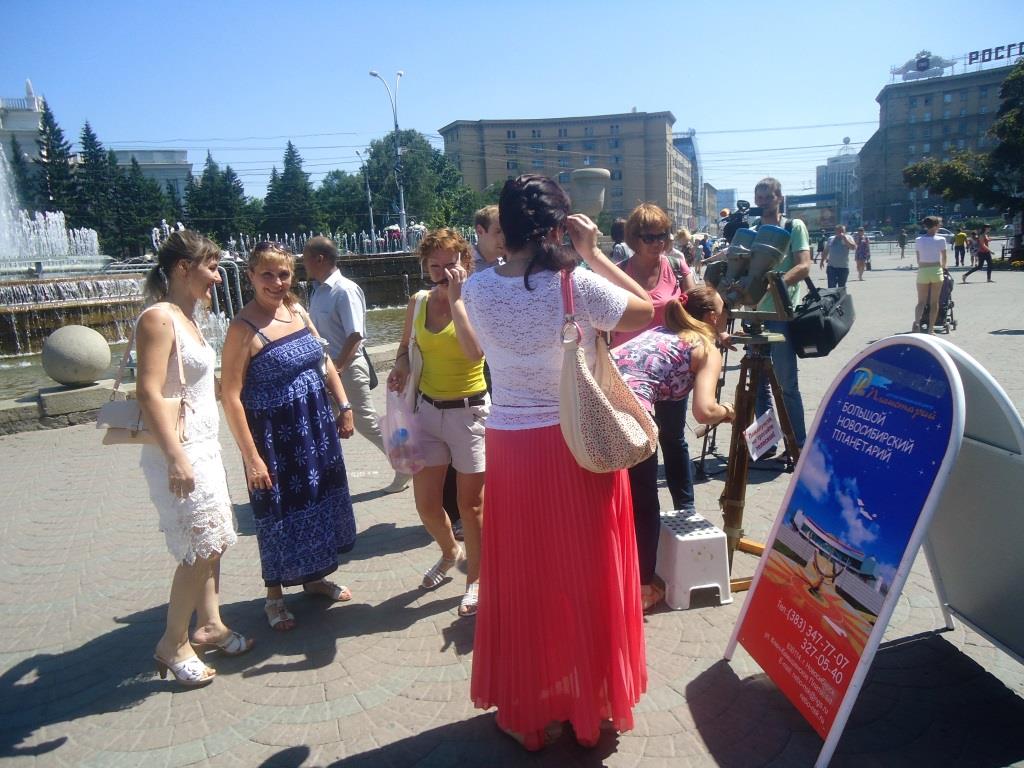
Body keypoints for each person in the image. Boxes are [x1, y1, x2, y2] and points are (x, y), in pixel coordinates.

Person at [462, 174, 653, 750]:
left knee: (525, 579)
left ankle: (530, 714)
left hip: (511, 448)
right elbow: (647, 310)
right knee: (587, 576)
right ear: (556, 226)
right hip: (578, 444)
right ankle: (590, 709)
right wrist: (593, 252)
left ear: (506, 227)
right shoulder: (578, 284)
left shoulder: (476, 289)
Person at [220, 241, 357, 632]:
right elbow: (230, 396)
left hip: (315, 428)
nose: (276, 282)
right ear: (250, 275)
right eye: (267, 274)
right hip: (274, 440)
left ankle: (315, 578)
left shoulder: (296, 310)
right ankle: (275, 597)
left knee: (319, 500)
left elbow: (323, 360)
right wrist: (252, 458)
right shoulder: (243, 328)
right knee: (277, 513)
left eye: (283, 274)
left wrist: (344, 405)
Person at [137, 230, 252, 686]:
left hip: (203, 445)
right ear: (184, 269)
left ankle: (210, 623)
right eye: (212, 267)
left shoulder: (188, 317)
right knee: (199, 548)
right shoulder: (158, 318)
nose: (218, 278)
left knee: (215, 540)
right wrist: (175, 457)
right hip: (180, 451)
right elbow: (149, 392)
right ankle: (173, 642)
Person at [613, 286, 736, 611]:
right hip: (630, 413)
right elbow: (704, 412)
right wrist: (728, 411)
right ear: (713, 317)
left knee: (611, 497)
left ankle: (610, 571)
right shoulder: (705, 347)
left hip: (595, 403)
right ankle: (642, 588)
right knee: (643, 502)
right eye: (725, 311)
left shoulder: (663, 332)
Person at [387, 228, 487, 617]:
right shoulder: (418, 302)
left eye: (451, 264)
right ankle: (450, 552)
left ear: (466, 262)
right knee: (427, 505)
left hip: (470, 414)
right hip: (427, 413)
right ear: (425, 267)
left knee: (470, 506)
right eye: (435, 266)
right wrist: (400, 366)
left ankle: (476, 580)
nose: (444, 272)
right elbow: (404, 349)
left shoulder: (477, 299)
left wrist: (458, 300)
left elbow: (475, 353)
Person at [304, 235, 409, 494]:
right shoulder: (318, 291)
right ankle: (319, 479)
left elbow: (356, 335)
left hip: (347, 369)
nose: (302, 263)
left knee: (366, 422)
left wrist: (338, 368)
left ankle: (404, 463)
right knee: (319, 422)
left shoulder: (344, 290)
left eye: (305, 258)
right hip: (327, 371)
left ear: (320, 259)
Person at [613, 203, 698, 515]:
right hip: (631, 374)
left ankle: (685, 509)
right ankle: (643, 518)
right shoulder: (618, 273)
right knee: (641, 444)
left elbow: (696, 308)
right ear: (634, 238)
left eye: (662, 235)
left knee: (674, 438)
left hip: (672, 370)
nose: (657, 242)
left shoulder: (676, 265)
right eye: (649, 237)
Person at [752, 177, 811, 450]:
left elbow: (804, 266)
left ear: (779, 198)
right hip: (754, 315)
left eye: (768, 197)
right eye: (759, 198)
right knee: (757, 386)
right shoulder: (753, 229)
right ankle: (767, 445)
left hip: (780, 315)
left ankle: (797, 444)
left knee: (786, 384)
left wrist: (775, 284)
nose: (763, 202)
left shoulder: (793, 226)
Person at [913, 216, 948, 333]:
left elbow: (918, 258)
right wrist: (944, 267)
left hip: (923, 270)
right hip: (936, 270)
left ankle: (917, 323)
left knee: (921, 302)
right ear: (936, 226)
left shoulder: (918, 240)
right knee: (934, 302)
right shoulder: (941, 239)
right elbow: (944, 257)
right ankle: (931, 329)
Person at [472, 204, 505, 271]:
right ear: (480, 231)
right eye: (498, 231)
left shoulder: (509, 265)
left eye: (506, 232)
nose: (504, 237)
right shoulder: (462, 263)